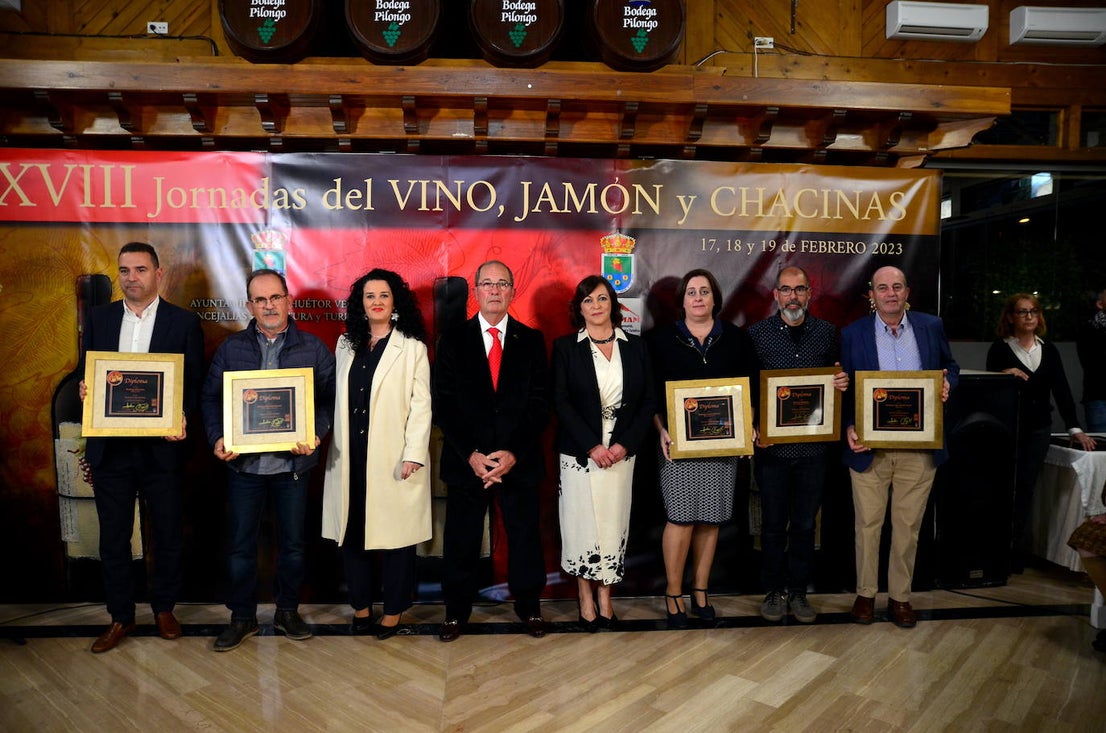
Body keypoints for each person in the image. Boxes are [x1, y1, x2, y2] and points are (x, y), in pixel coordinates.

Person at [78, 242, 204, 653]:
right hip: (111, 448)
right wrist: (86, 387)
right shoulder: (99, 318)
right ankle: (121, 617)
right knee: (113, 537)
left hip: (161, 450)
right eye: (125, 270)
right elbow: (89, 373)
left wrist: (181, 415)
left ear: (158, 273)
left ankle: (164, 608)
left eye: (140, 270)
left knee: (166, 533)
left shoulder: (183, 323)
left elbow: (194, 384)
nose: (132, 278)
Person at [201, 268, 335, 652]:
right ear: (249, 306)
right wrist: (217, 438)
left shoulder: (312, 347)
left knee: (292, 546)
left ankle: (287, 611)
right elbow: (210, 397)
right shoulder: (231, 349)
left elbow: (329, 399)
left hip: (293, 467)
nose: (269, 305)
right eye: (260, 300)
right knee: (241, 546)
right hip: (244, 467)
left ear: (288, 301)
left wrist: (315, 433)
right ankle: (242, 617)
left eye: (275, 297)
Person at [432, 260, 550, 642]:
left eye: (502, 283)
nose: (495, 290)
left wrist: (513, 452)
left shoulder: (531, 341)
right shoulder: (452, 340)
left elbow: (539, 403)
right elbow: (444, 403)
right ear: (476, 291)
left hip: (518, 461)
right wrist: (472, 454)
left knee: (524, 537)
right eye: (487, 284)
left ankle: (529, 606)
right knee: (461, 540)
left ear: (513, 291)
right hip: (470, 462)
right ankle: (455, 612)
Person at [841, 265, 958, 629]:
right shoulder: (852, 334)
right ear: (871, 296)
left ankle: (900, 598)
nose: (890, 293)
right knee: (867, 525)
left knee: (908, 526)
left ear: (907, 292)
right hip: (868, 449)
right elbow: (843, 386)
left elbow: (950, 368)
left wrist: (948, 384)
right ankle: (865, 594)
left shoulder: (930, 327)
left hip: (919, 448)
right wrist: (847, 425)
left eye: (897, 287)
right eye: (882, 288)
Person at [321, 269, 431, 640]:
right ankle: (361, 607)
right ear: (361, 303)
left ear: (395, 301)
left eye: (384, 295)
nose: (377, 302)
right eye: (370, 296)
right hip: (350, 455)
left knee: (397, 539)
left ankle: (394, 610)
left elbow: (421, 406)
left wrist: (414, 452)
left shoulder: (412, 347)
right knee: (353, 534)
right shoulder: (345, 344)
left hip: (393, 457)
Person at [647, 268, 759, 627]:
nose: (698, 298)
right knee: (680, 519)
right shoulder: (661, 340)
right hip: (677, 444)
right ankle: (674, 592)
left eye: (704, 291)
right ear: (681, 301)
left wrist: (746, 431)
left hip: (723, 446)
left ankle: (701, 590)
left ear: (715, 298)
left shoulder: (737, 339)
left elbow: (750, 389)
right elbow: (649, 395)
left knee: (710, 519)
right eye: (691, 292)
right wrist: (661, 430)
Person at [551, 275, 655, 631]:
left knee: (612, 525)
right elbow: (560, 402)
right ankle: (584, 596)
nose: (595, 307)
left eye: (601, 299)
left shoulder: (637, 347)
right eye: (587, 301)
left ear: (613, 303)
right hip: (581, 454)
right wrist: (592, 446)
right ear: (579, 309)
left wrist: (624, 444)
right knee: (581, 525)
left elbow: (647, 402)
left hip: (622, 452)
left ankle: (607, 597)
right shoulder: (566, 347)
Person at [748, 266, 848, 624]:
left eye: (800, 289)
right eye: (786, 290)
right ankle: (774, 591)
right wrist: (755, 422)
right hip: (772, 450)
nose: (793, 296)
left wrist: (840, 382)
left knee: (805, 525)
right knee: (773, 524)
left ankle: (800, 591)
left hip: (813, 451)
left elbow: (837, 379)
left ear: (809, 294)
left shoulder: (827, 333)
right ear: (775, 295)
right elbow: (749, 388)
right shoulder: (757, 335)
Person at [987, 293, 1096, 569]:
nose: (1029, 317)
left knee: (1025, 488)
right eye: (1022, 312)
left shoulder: (1049, 350)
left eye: (1033, 311)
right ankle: (995, 549)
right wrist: (1003, 375)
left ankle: (1014, 550)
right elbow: (987, 391)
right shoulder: (1000, 349)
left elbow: (1061, 391)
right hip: (1007, 430)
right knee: (1002, 488)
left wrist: (1075, 428)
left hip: (1038, 429)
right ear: (1010, 317)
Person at [1076, 287, 1106, 433]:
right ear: (1100, 304)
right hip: (1098, 397)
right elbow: (1091, 364)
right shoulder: (1089, 329)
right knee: (1101, 448)